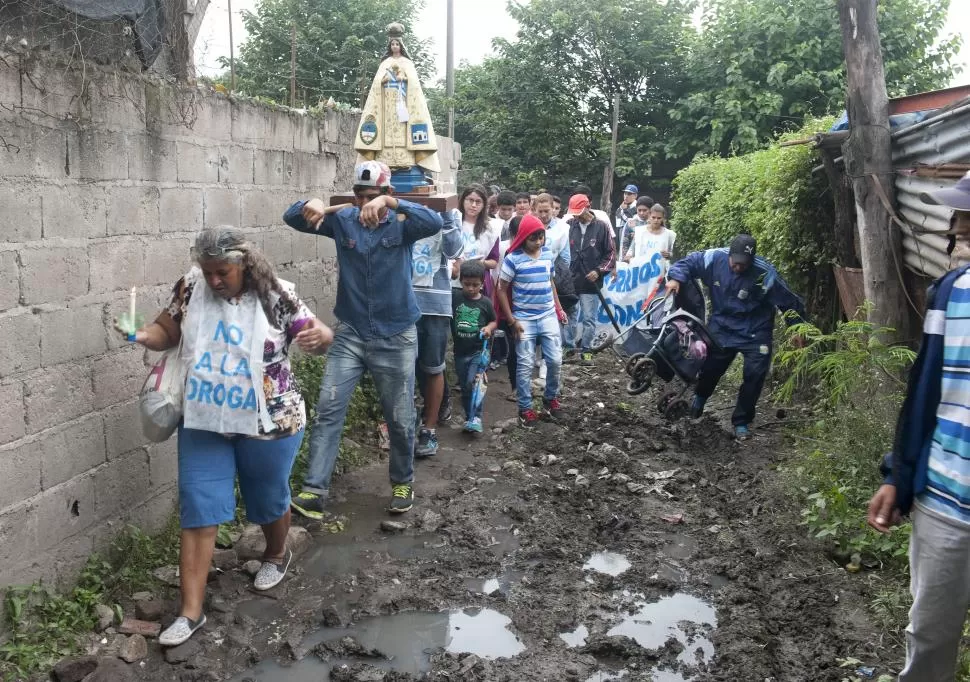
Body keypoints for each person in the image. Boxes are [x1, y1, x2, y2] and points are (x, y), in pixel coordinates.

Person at [115, 226, 333, 646]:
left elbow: (318, 334)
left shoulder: (277, 294)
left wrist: (319, 337)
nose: (214, 280)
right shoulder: (192, 287)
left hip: (269, 421)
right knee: (198, 506)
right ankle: (190, 612)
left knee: (268, 498)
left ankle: (275, 552)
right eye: (208, 270)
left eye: (223, 272)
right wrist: (143, 335)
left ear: (245, 265)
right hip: (205, 417)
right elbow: (168, 330)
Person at [282, 161, 443, 518]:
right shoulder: (343, 222)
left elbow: (435, 222)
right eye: (360, 195)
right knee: (328, 409)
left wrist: (391, 205)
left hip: (396, 334)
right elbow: (292, 218)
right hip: (351, 333)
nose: (365, 201)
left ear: (388, 194)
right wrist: (310, 202)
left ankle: (402, 482)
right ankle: (314, 491)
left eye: (374, 195)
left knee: (400, 417)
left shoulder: (402, 225)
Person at [866, 170, 970, 682]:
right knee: (930, 636)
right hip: (947, 503)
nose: (959, 230)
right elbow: (924, 391)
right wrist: (898, 474)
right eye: (960, 218)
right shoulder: (949, 294)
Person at [666, 234, 804, 439]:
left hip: (756, 330)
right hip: (722, 325)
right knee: (711, 368)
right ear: (729, 255)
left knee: (754, 375)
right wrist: (676, 278)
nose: (738, 267)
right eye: (735, 262)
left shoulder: (765, 273)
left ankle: (741, 422)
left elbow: (789, 302)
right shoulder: (714, 258)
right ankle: (700, 399)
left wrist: (797, 328)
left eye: (743, 264)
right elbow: (687, 263)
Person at [497, 214, 569, 427]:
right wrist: (511, 321)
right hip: (524, 320)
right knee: (525, 364)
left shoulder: (547, 254)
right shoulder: (513, 259)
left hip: (547, 315)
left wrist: (558, 308)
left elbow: (550, 283)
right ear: (522, 238)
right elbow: (501, 290)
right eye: (533, 238)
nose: (538, 242)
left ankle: (550, 399)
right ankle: (525, 409)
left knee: (555, 359)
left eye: (541, 237)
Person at [412, 210, 464, 457]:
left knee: (433, 367)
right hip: (402, 304)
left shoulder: (449, 211)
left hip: (435, 304)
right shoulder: (398, 206)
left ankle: (429, 429)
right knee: (403, 369)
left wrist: (445, 216)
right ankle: (406, 424)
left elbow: (454, 250)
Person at [355, 24, 439, 173]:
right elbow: (376, 84)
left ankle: (406, 160)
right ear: (390, 46)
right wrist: (383, 79)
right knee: (386, 130)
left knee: (403, 128)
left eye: (397, 44)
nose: (394, 47)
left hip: (403, 103)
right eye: (392, 44)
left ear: (401, 45)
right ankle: (384, 160)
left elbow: (414, 85)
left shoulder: (408, 63)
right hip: (386, 104)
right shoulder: (384, 63)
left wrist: (405, 78)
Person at [566, 194, 616, 364]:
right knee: (570, 316)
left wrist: (599, 271)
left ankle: (587, 352)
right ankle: (569, 350)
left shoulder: (602, 227)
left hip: (590, 282)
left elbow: (610, 254)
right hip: (571, 280)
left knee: (588, 318)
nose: (576, 216)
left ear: (588, 207)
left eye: (578, 212)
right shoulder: (569, 225)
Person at [452, 260, 498, 433]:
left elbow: (494, 321)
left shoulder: (485, 303)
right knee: (465, 386)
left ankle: (476, 416)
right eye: (467, 284)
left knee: (474, 383)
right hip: (459, 352)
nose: (471, 288)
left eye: (475, 285)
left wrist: (488, 328)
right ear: (461, 281)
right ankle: (468, 416)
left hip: (478, 351)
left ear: (482, 283)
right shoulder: (455, 297)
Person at [451, 185, 501, 297]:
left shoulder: (491, 228)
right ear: (463, 200)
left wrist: (480, 263)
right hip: (454, 283)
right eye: (470, 200)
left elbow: (494, 261)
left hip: (479, 284)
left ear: (484, 205)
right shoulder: (452, 224)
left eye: (478, 202)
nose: (473, 205)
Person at [624, 203, 675, 272]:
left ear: (663, 218)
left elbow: (673, 254)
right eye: (653, 217)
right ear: (649, 216)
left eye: (659, 218)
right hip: (640, 270)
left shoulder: (669, 234)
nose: (656, 220)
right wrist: (628, 256)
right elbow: (632, 249)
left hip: (659, 272)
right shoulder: (640, 231)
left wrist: (669, 255)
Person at [615, 184, 640, 249]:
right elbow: (617, 214)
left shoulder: (637, 207)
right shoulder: (624, 205)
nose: (626, 196)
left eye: (629, 194)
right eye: (625, 193)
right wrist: (622, 209)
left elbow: (630, 221)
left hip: (631, 234)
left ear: (635, 196)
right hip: (620, 232)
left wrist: (624, 210)